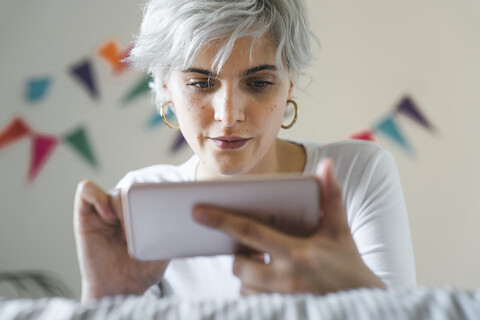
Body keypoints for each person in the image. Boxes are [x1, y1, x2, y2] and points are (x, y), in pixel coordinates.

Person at [74, 0, 416, 302]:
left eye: (258, 83)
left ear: (290, 84)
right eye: (200, 83)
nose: (229, 114)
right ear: (165, 87)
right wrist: (104, 302)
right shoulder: (142, 199)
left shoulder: (355, 176)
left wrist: (357, 294)